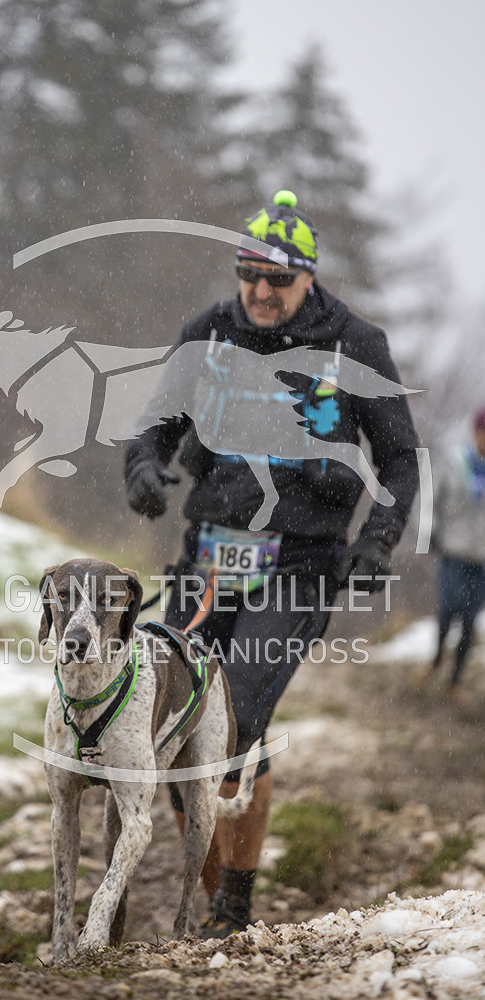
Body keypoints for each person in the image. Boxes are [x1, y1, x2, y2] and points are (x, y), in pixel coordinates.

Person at [124, 191, 420, 937]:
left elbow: (398, 458)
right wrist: (143, 469)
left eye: (277, 280)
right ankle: (210, 893)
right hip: (207, 555)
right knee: (170, 727)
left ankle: (234, 903)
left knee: (233, 723)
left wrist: (378, 539)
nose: (259, 291)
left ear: (308, 278)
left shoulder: (355, 343)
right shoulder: (208, 332)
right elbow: (154, 426)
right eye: (248, 275)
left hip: (299, 563)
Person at [421, 408, 485, 699]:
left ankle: (455, 679)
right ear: (475, 433)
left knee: (470, 618)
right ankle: (436, 659)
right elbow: (431, 498)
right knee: (448, 609)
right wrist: (429, 532)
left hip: (481, 557)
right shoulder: (455, 463)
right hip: (454, 550)